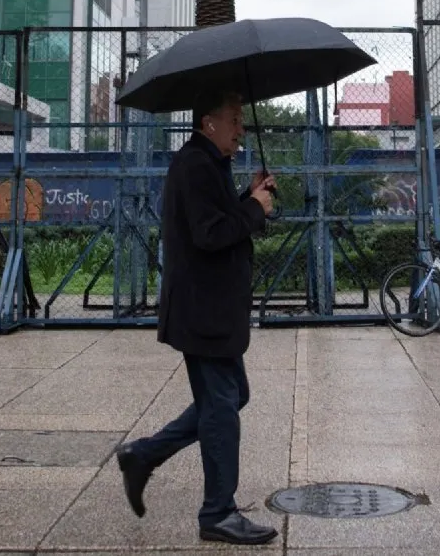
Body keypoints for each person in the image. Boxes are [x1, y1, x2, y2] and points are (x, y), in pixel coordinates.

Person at [116, 91, 279, 545]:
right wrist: (253, 209)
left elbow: (215, 219)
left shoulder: (208, 163)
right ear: (208, 123)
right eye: (234, 118)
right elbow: (211, 235)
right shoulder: (195, 165)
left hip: (212, 309)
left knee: (230, 396)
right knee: (223, 405)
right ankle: (217, 513)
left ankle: (143, 455)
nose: (241, 127)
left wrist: (249, 196)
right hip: (203, 311)